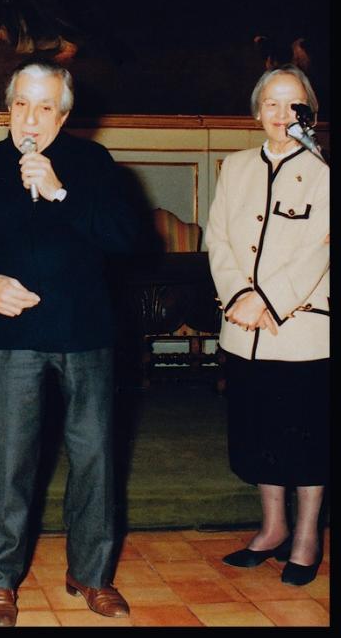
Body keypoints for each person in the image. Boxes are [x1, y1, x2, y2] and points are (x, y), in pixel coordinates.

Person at [0, 60, 141, 626]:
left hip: (86, 335)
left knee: (95, 458)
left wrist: (60, 192)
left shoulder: (93, 164)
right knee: (9, 461)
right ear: (7, 109)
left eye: (44, 107)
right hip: (13, 338)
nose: (30, 119)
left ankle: (91, 574)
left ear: (65, 114)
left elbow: (128, 241)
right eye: (21, 105)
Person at [205, 65, 329, 587]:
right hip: (243, 329)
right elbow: (219, 239)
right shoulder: (234, 167)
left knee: (306, 439)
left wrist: (268, 302)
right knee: (259, 433)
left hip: (300, 329)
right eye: (271, 105)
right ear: (257, 112)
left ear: (309, 113)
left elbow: (318, 249)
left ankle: (306, 537)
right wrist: (239, 297)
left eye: (293, 105)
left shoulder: (325, 172)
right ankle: (272, 528)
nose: (282, 115)